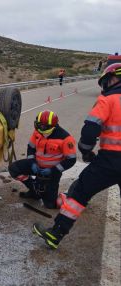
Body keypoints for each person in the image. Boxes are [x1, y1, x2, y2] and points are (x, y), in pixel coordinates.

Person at [33, 63, 121, 249]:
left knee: (79, 192)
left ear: (112, 79)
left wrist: (87, 152)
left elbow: (89, 132)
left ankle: (55, 234)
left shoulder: (108, 99)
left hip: (111, 161)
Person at [8, 110, 76, 209]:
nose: (40, 129)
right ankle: (34, 190)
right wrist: (32, 162)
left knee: (51, 205)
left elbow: (71, 159)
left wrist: (53, 170)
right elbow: (31, 147)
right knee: (14, 169)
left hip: (52, 172)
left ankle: (70, 195)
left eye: (43, 127)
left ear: (53, 126)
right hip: (36, 166)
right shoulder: (38, 131)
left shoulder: (65, 138)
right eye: (39, 125)